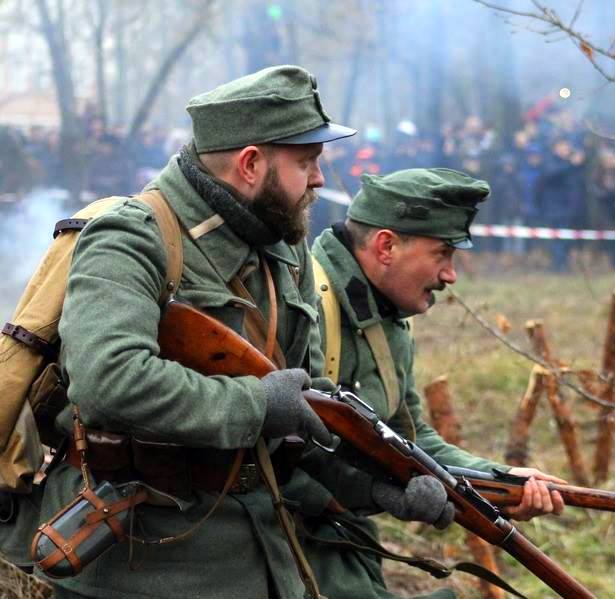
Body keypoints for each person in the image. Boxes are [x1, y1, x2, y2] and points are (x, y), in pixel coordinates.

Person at [35, 65, 357, 598]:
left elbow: (303, 400)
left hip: (264, 552)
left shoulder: (284, 245)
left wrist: (373, 482)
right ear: (250, 164)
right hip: (146, 565)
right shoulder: (131, 238)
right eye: (306, 162)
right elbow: (108, 380)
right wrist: (256, 405)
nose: (319, 179)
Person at [303, 168, 566, 598]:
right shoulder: (307, 302)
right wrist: (383, 491)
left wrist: (500, 480)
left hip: (335, 531)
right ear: (386, 246)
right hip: (280, 531)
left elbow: (408, 436)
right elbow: (289, 451)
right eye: (442, 254)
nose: (450, 276)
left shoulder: (386, 314)